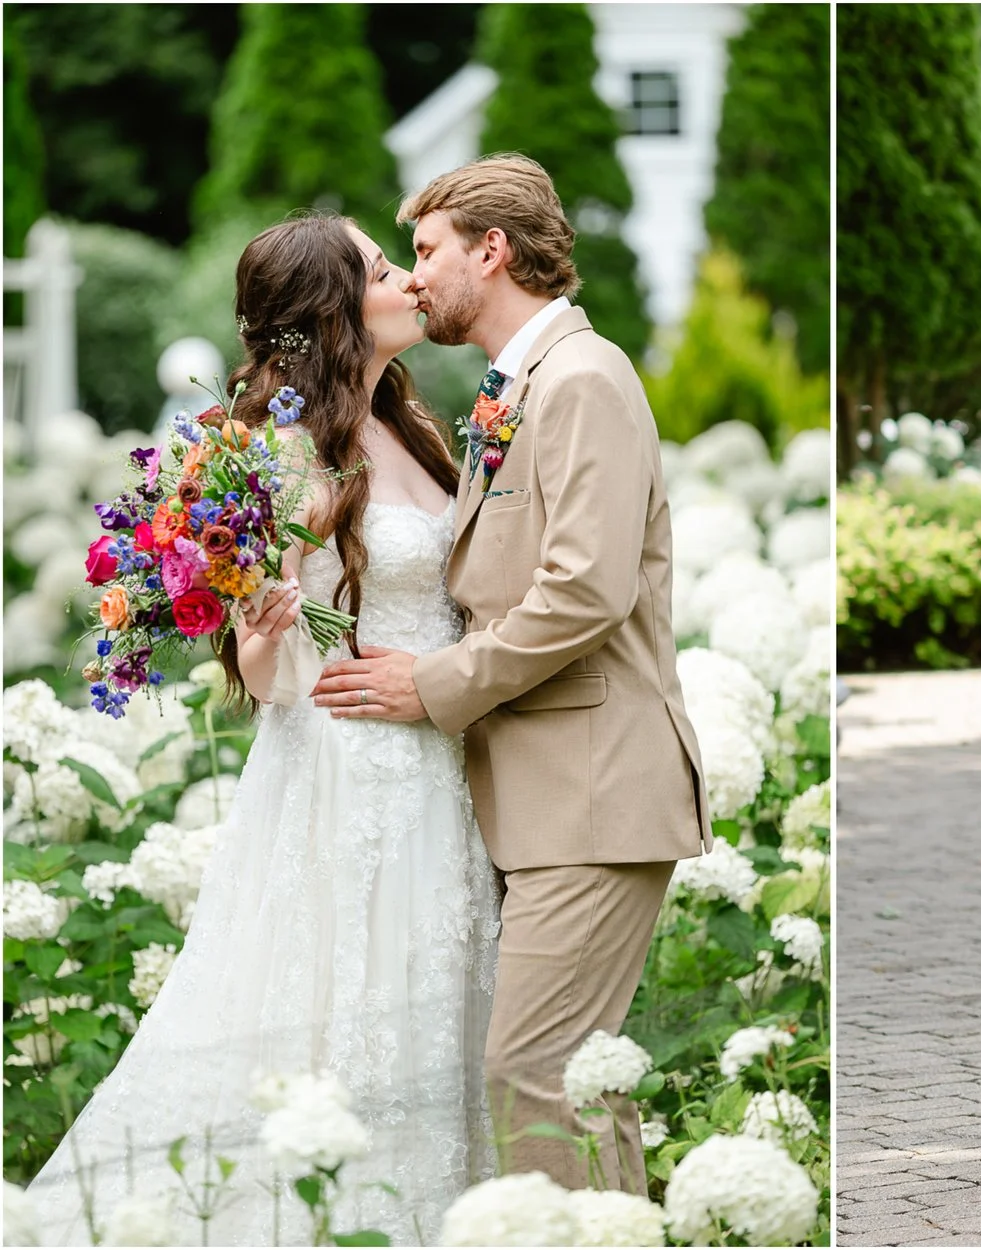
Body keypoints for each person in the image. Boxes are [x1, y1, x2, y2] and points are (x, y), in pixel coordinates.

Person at [19, 212, 495, 1244]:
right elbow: (272, 666)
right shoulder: (275, 454)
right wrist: (270, 623)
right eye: (380, 267)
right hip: (346, 761)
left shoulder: (411, 422)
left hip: (435, 758)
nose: (408, 278)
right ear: (335, 312)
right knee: (343, 1012)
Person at [310, 154, 710, 1193]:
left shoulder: (583, 379)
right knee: (569, 1080)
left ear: (493, 252)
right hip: (536, 791)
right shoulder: (515, 387)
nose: (415, 274)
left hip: (595, 786)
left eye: (430, 250)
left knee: (533, 1073)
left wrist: (431, 684)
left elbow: (583, 591)